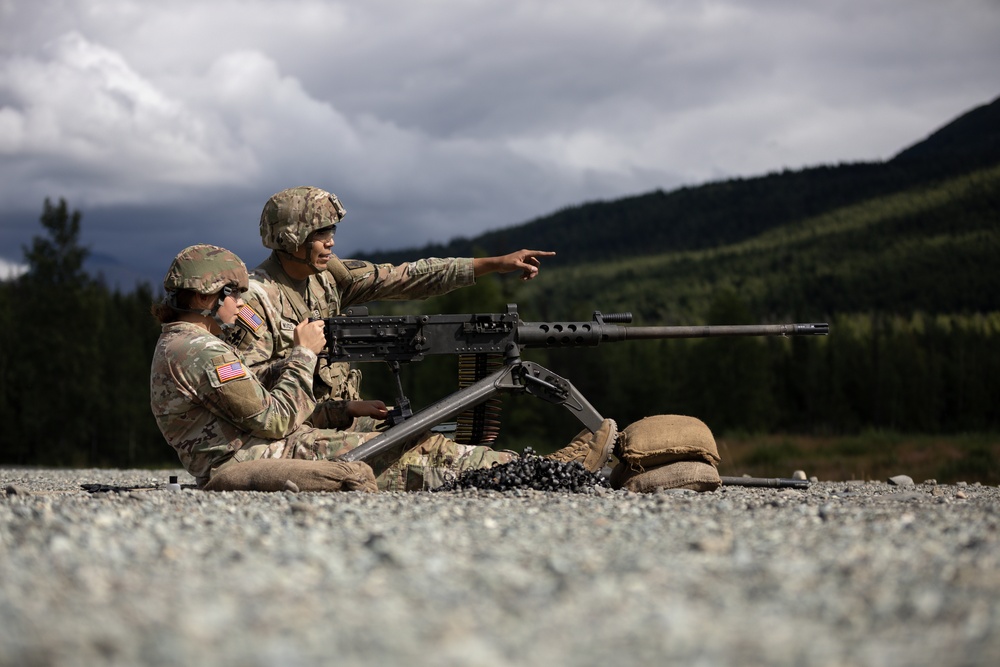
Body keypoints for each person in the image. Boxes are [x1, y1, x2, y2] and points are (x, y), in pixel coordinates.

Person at [150, 244, 617, 491]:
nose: (238, 302)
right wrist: (305, 354)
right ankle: (550, 472)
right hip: (258, 458)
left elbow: (251, 407)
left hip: (263, 448)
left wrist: (339, 411)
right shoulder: (198, 351)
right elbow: (271, 419)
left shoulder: (187, 343)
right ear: (206, 297)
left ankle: (539, 468)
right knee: (415, 457)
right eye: (231, 294)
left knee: (412, 444)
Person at [228, 185, 557, 432]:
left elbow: (406, 277)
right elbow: (248, 394)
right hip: (295, 430)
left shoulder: (329, 277)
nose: (330, 241)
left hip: (340, 420)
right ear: (290, 239)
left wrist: (490, 265)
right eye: (319, 233)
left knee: (426, 438)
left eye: (332, 231)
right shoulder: (255, 299)